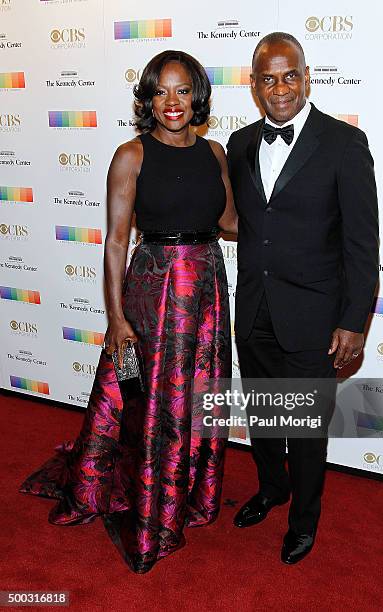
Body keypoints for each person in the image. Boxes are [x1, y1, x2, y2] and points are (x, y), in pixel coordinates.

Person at [19, 50, 237, 574]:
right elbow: (117, 242)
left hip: (206, 285)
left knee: (200, 390)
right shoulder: (131, 155)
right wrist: (117, 319)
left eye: (182, 90)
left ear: (198, 95)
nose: (172, 102)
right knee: (146, 396)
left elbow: (230, 219)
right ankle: (147, 498)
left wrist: (294, 221)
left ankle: (191, 491)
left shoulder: (215, 152)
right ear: (147, 98)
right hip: (153, 289)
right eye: (160, 91)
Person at [226, 32, 379, 564]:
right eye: (268, 79)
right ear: (254, 86)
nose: (280, 88)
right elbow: (243, 221)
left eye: (290, 75)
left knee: (307, 429)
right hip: (255, 309)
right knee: (266, 415)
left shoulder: (343, 143)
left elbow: (362, 243)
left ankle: (304, 520)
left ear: (307, 75)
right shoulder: (241, 143)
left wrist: (354, 321)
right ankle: (272, 488)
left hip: (316, 317)